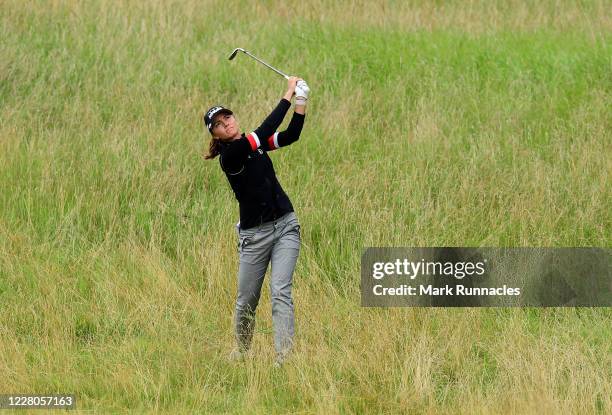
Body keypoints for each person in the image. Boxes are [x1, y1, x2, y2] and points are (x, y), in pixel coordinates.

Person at [203, 76, 309, 366]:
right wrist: (287, 94)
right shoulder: (231, 156)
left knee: (280, 292)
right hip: (254, 237)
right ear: (216, 136)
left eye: (227, 117)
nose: (226, 124)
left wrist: (301, 101)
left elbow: (289, 136)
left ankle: (284, 358)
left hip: (286, 225)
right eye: (219, 125)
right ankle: (242, 350)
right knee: (247, 301)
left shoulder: (255, 145)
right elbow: (265, 130)